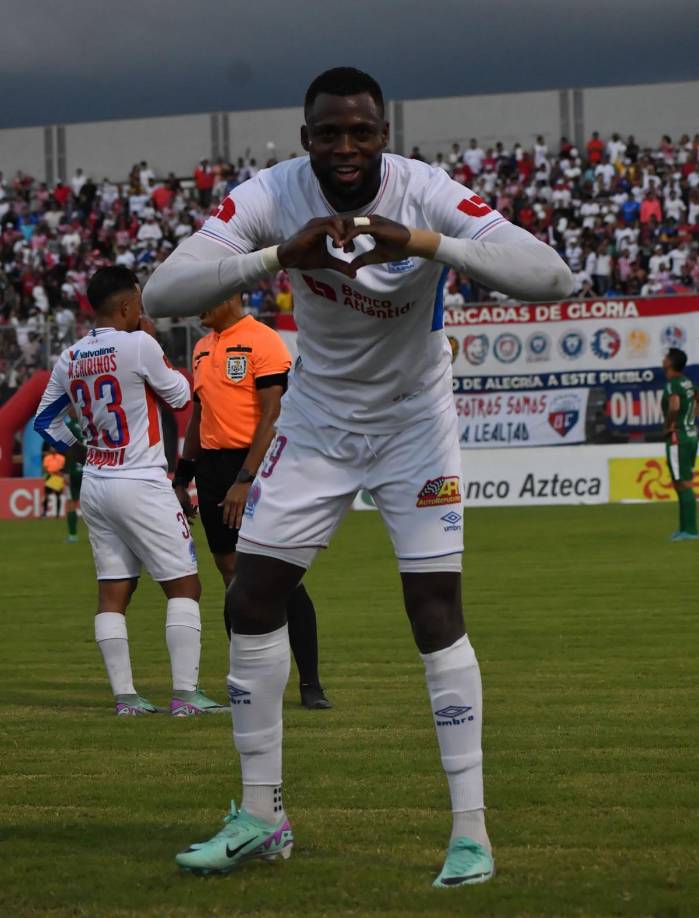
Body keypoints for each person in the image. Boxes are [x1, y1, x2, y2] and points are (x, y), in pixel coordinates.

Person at [143, 66, 572, 887]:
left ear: (384, 134)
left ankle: (469, 834)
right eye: (328, 133)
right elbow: (164, 292)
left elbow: (552, 276)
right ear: (305, 140)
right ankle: (261, 817)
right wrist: (276, 255)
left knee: (432, 609)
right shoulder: (272, 194)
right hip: (315, 426)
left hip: (415, 423)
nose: (345, 147)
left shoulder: (424, 191)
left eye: (361, 131)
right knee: (250, 599)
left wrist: (420, 242)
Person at [34, 266, 225, 717]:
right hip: (140, 479)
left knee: (113, 594)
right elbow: (182, 396)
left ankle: (126, 699)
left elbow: (46, 421)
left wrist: (82, 450)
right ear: (126, 306)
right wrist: (154, 343)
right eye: (139, 301)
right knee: (185, 587)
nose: (142, 309)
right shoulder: (139, 344)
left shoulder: (70, 356)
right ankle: (185, 696)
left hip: (98, 484)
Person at [174, 293, 330, 709]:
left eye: (206, 296)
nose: (198, 308)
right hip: (210, 468)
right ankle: (248, 682)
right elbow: (199, 416)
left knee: (282, 575)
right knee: (232, 576)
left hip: (257, 467)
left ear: (228, 296)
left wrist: (246, 478)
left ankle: (310, 683)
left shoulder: (264, 341)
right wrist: (183, 476)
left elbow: (272, 414)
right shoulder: (202, 346)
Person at [661, 348, 698, 542]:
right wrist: (690, 420)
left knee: (683, 483)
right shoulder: (688, 382)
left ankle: (690, 530)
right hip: (690, 434)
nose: (663, 360)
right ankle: (684, 528)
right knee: (680, 483)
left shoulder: (673, 384)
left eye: (666, 357)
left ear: (671, 363)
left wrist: (670, 425)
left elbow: (674, 406)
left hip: (678, 437)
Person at [41, 445, 65, 517]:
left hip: (57, 477)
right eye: (51, 448)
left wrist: (59, 473)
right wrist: (49, 473)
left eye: (54, 448)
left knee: (58, 496)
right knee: (46, 496)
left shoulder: (61, 458)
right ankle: (44, 512)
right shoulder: (47, 458)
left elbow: (63, 468)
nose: (53, 449)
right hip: (50, 476)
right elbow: (44, 469)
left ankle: (57, 514)